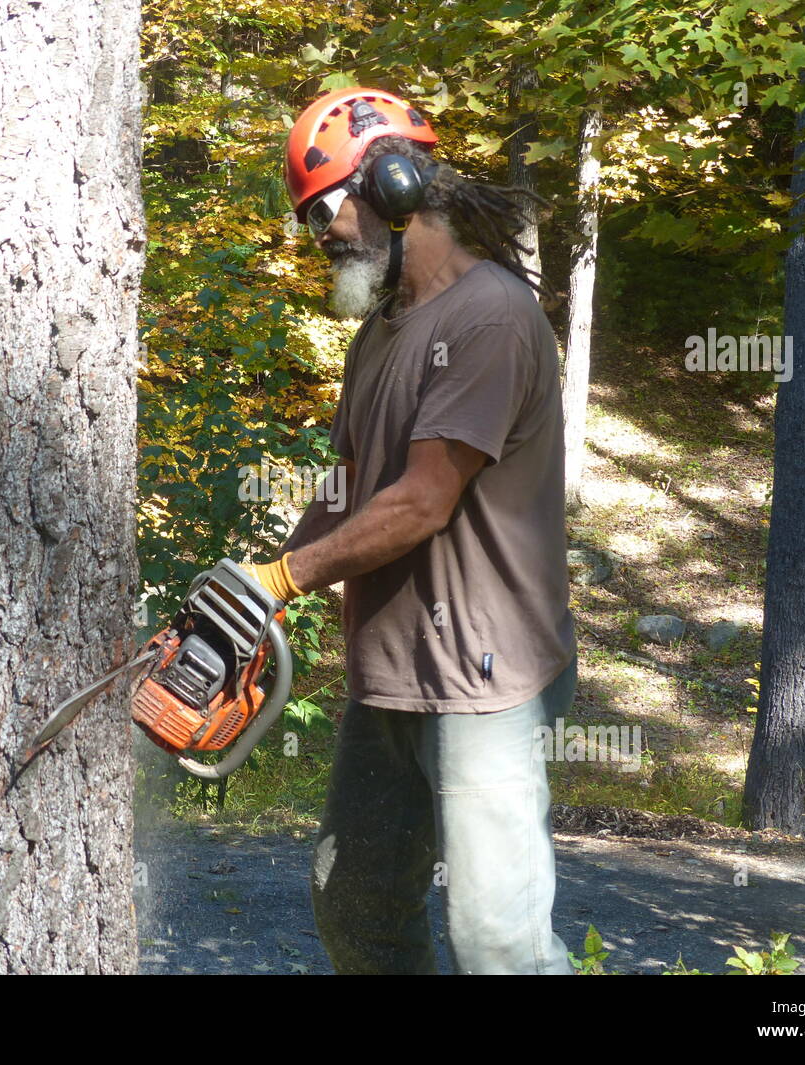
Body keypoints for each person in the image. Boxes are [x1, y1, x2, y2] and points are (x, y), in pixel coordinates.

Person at [242, 86, 578, 974]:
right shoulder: (383, 333)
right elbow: (354, 484)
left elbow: (424, 500)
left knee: (498, 940)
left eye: (325, 210)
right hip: (390, 676)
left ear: (390, 187)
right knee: (354, 904)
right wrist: (257, 586)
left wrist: (288, 580)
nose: (320, 236)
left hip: (485, 681)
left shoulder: (490, 318)